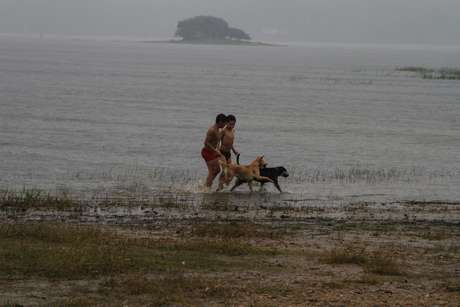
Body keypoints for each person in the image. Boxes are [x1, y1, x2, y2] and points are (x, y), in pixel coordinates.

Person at [201, 114, 227, 188]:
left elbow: (216, 141)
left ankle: (207, 185)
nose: (225, 125)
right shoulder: (212, 130)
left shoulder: (218, 129)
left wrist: (217, 149)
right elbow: (206, 143)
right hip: (207, 152)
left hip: (213, 152)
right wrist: (215, 151)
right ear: (220, 122)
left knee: (217, 170)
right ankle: (207, 187)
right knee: (213, 171)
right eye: (224, 123)